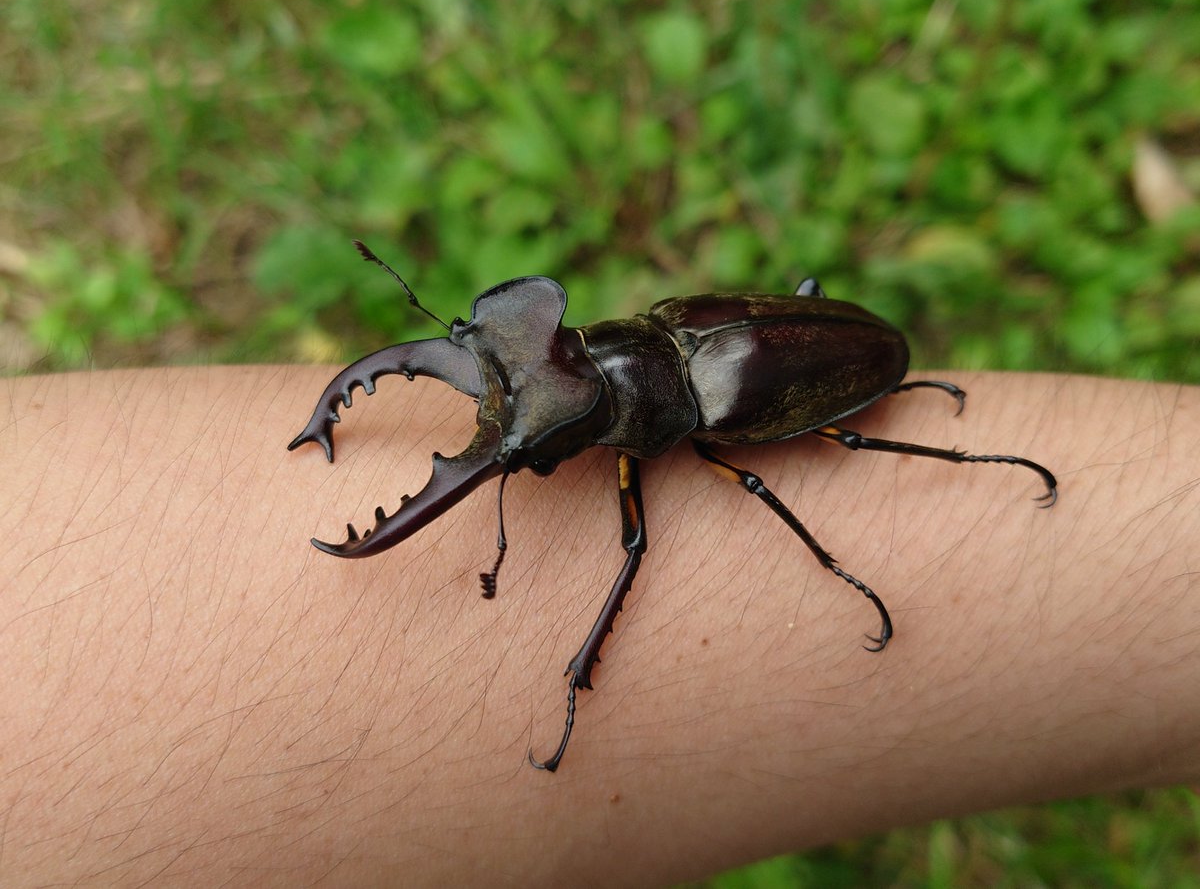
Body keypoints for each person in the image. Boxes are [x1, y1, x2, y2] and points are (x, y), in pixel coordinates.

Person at [2, 366, 1195, 885]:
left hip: (822, 377)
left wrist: (841, 566)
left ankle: (948, 473)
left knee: (742, 491)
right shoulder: (645, 359)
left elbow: (694, 511)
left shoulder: (703, 428)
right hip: (711, 350)